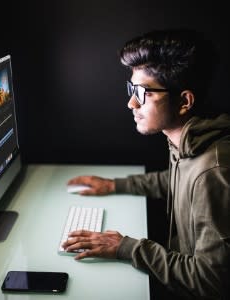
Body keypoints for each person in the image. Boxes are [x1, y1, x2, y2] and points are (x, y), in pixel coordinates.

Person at [62, 29, 229, 299]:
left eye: (142, 92)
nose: (131, 103)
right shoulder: (188, 142)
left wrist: (126, 247)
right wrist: (114, 185)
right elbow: (176, 183)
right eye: (132, 89)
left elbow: (210, 281)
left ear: (185, 101)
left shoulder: (215, 171)